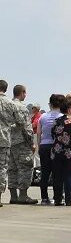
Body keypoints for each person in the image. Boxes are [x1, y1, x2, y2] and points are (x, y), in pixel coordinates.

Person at [8, 85, 37, 204]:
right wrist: (31, 143)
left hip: (9, 142)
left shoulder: (7, 105)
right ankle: (23, 196)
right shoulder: (22, 108)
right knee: (25, 168)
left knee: (12, 169)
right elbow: (26, 128)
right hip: (22, 143)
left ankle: (13, 196)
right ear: (22, 93)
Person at [51, 97, 71, 206]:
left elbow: (53, 134)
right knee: (69, 176)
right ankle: (68, 200)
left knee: (58, 176)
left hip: (57, 151)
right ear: (69, 109)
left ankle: (58, 199)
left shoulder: (57, 120)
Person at [0, 79, 25, 207]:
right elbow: (21, 122)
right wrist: (9, 125)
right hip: (4, 139)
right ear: (6, 89)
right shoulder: (11, 104)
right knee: (2, 168)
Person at [37, 94, 65, 205]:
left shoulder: (42, 117)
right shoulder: (62, 117)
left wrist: (39, 146)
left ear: (51, 104)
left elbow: (39, 133)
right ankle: (57, 197)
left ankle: (44, 198)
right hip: (57, 147)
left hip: (44, 146)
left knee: (45, 173)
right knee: (57, 174)